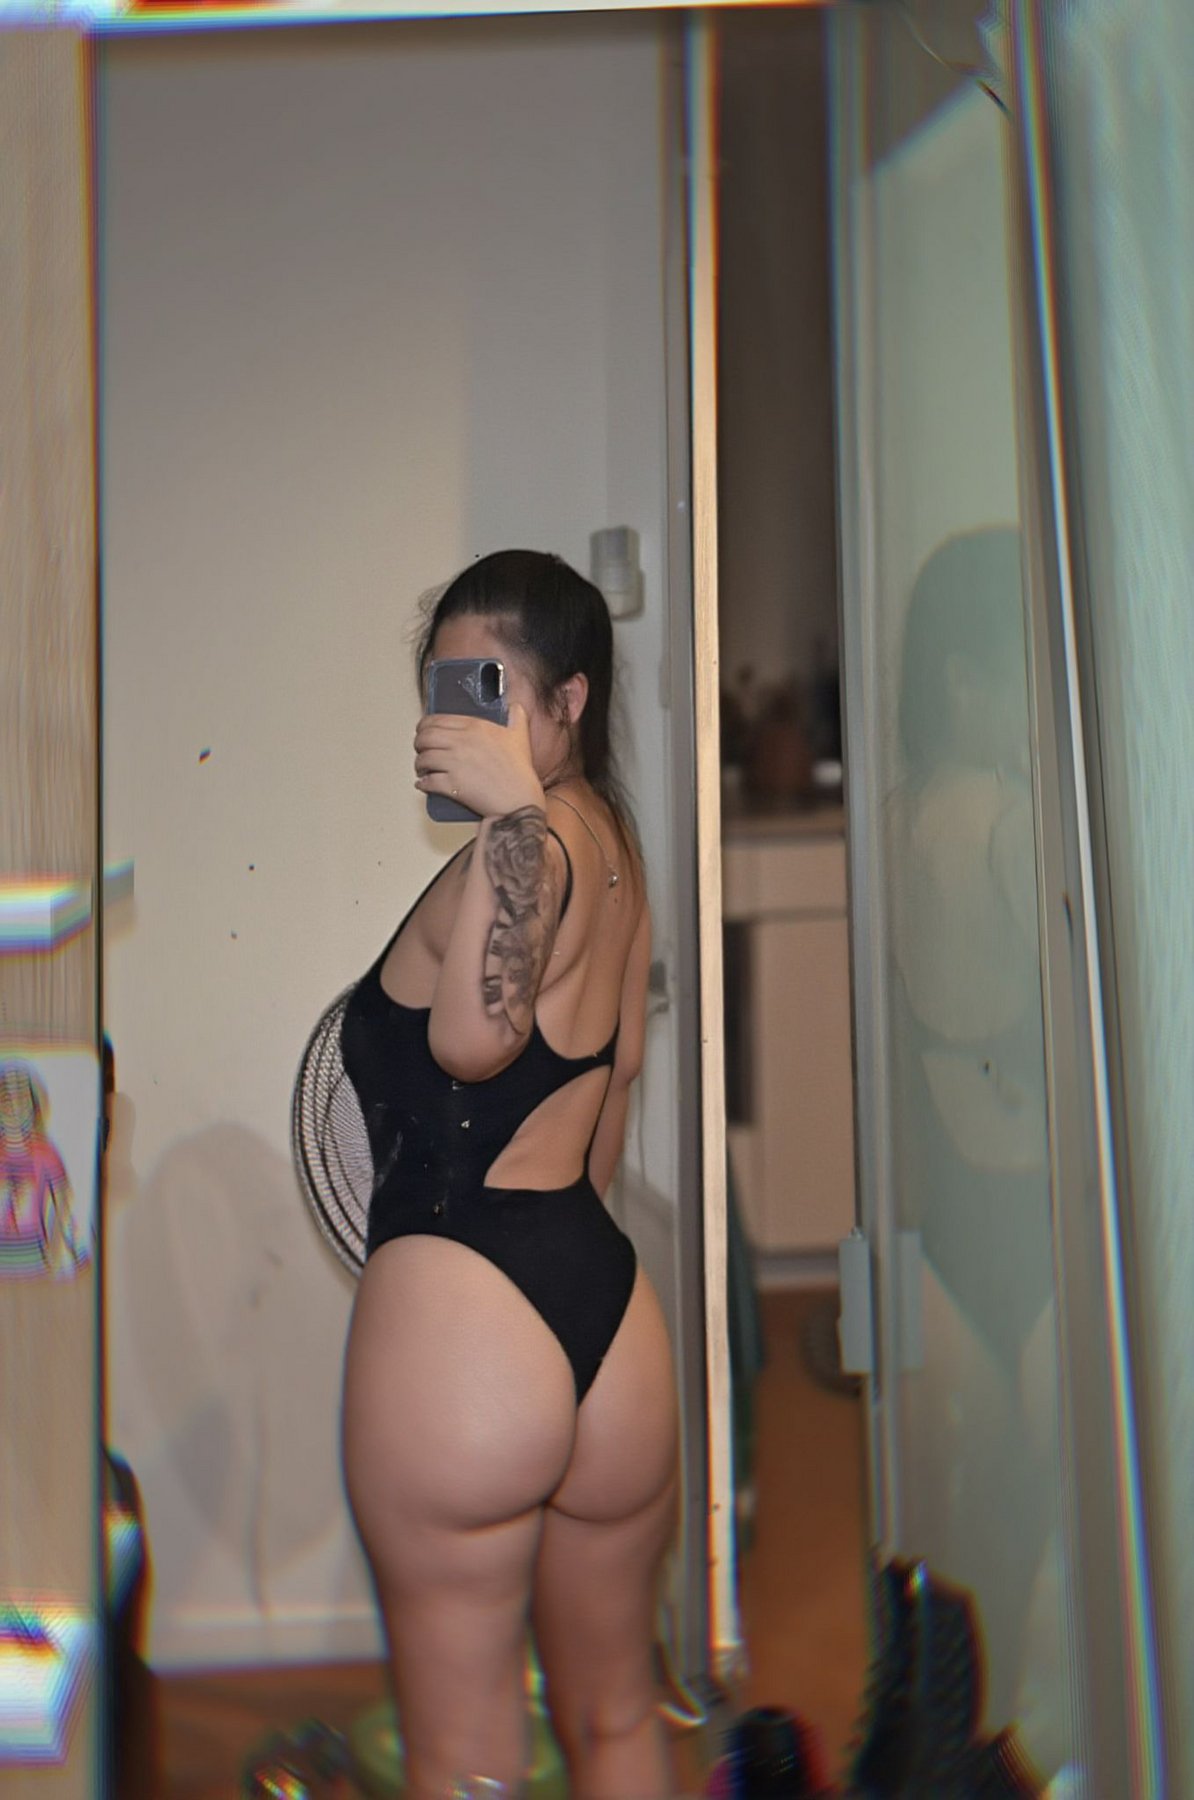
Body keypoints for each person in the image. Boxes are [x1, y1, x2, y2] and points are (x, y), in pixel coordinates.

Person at [339, 550, 679, 1799]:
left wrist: (509, 822)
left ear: (570, 700)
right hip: (604, 1317)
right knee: (618, 1722)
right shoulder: (616, 851)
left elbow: (476, 1043)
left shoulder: (524, 847)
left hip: (465, 1319)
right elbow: (613, 1087)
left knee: (464, 1761)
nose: (458, 721)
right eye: (445, 690)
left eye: (488, 690)